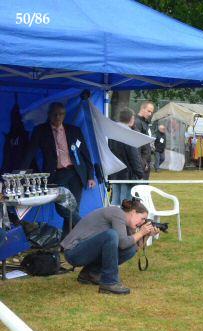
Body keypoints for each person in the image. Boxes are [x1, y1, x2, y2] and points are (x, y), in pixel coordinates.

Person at [21, 102, 96, 237]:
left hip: (76, 173)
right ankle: (87, 228)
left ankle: (66, 242)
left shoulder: (74, 130)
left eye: (61, 114)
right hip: (56, 175)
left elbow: (85, 153)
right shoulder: (40, 130)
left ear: (64, 115)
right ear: (49, 115)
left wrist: (91, 175)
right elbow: (30, 153)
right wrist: (21, 172)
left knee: (74, 208)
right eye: (54, 114)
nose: (57, 117)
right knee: (62, 208)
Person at [61, 198, 159, 295]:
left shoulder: (125, 223)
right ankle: (109, 282)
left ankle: (90, 274)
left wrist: (146, 235)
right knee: (111, 235)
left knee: (130, 249)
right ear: (133, 212)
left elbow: (134, 248)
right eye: (142, 218)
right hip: (73, 252)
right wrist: (141, 233)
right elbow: (123, 243)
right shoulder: (117, 213)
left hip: (84, 251)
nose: (142, 222)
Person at [108, 108, 144, 205]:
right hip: (127, 175)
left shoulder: (112, 133)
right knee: (126, 203)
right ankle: (122, 220)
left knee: (115, 200)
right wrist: (140, 174)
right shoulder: (129, 134)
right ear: (132, 118)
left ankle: (114, 219)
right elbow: (134, 157)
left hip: (115, 172)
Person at [133, 101, 155, 180]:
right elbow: (137, 145)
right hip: (141, 162)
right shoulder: (137, 122)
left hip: (146, 160)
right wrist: (143, 162)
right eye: (148, 111)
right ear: (142, 109)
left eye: (151, 112)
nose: (150, 114)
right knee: (140, 188)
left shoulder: (145, 122)